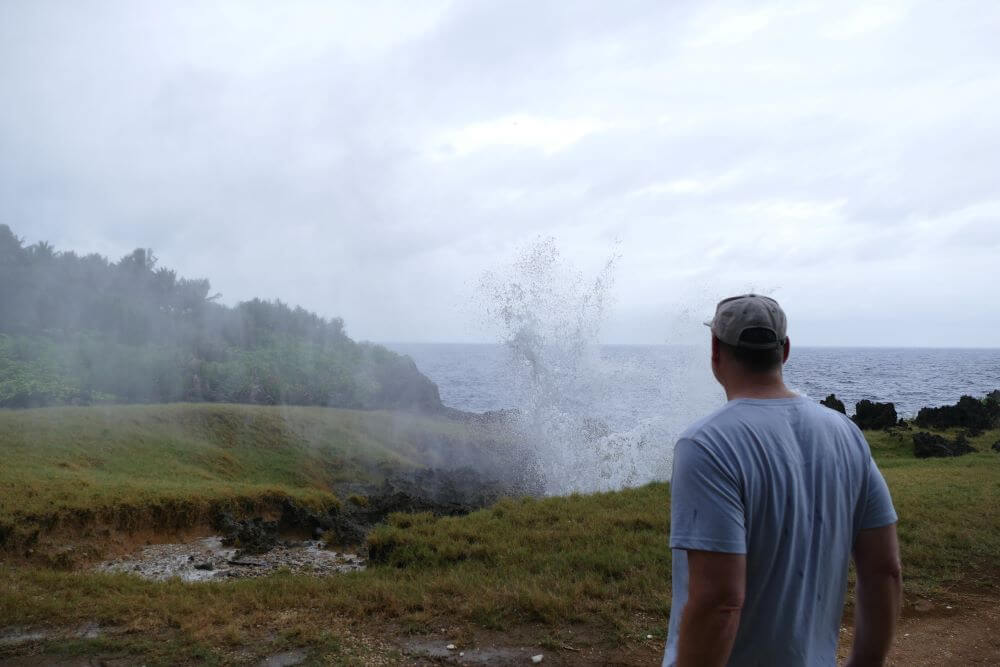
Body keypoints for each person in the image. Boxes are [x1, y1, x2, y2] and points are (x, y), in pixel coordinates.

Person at [663, 294, 902, 667]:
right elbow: (884, 570)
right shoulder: (846, 435)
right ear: (785, 350)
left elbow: (719, 603)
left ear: (715, 350)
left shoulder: (706, 444)